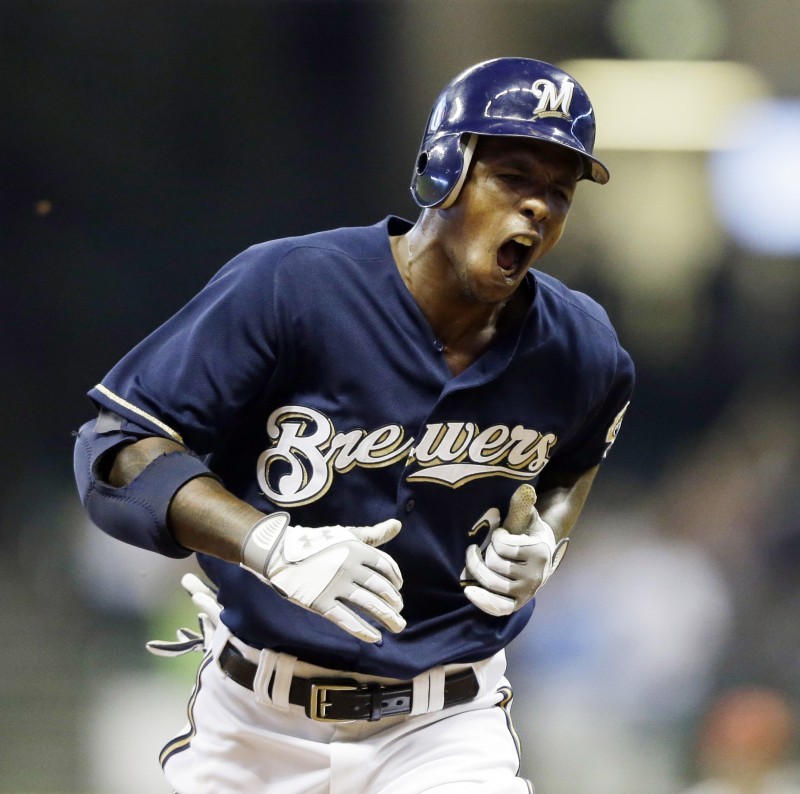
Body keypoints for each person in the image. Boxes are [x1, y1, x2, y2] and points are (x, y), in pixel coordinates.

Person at [73, 57, 634, 794]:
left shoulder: (581, 347)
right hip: (252, 723)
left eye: (557, 193)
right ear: (442, 170)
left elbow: (579, 456)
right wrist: (265, 543)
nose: (537, 207)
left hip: (443, 728)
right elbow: (115, 449)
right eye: (513, 176)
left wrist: (546, 541)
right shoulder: (291, 287)